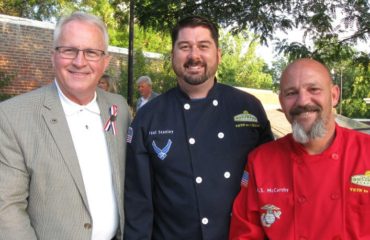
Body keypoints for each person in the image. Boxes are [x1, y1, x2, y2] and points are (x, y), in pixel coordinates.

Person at [124, 16, 273, 240]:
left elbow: (270, 181)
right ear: (173, 55)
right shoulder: (148, 117)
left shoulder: (248, 107)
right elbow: (138, 200)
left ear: (218, 55)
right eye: (184, 47)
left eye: (203, 46)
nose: (194, 56)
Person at [0, 12, 131, 240]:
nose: (79, 62)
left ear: (105, 62)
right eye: (69, 50)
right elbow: (6, 208)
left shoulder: (118, 108)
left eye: (91, 52)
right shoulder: (13, 116)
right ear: (53, 56)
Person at [229, 58, 370, 240]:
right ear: (281, 101)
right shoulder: (260, 161)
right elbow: (245, 234)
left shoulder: (366, 152)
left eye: (314, 89)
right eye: (291, 93)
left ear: (334, 96)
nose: (302, 101)